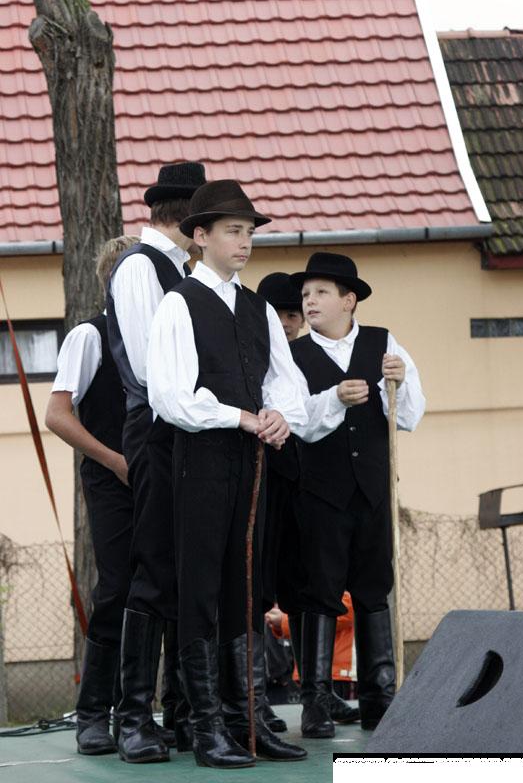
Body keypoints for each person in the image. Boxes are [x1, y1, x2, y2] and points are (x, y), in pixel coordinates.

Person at [147, 179, 308, 768]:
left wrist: (279, 416)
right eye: (233, 232)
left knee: (245, 585)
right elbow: (170, 395)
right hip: (201, 461)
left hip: (252, 463)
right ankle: (206, 727)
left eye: (248, 233)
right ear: (200, 235)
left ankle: (247, 720)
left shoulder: (259, 307)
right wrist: (240, 416)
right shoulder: (179, 303)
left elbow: (286, 383)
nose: (245, 242)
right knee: (200, 590)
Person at [289, 252, 425, 735]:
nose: (310, 302)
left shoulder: (383, 343)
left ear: (348, 300)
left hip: (372, 491)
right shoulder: (293, 356)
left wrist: (397, 383)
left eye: (321, 292)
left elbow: (409, 415)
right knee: (320, 593)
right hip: (320, 494)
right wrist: (333, 398)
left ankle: (379, 698)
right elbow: (295, 419)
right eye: (306, 294)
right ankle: (316, 702)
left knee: (373, 589)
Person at [106, 162, 206, 763]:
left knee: (181, 568)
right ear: (187, 218)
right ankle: (134, 716)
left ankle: (181, 711)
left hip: (186, 431)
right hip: (156, 428)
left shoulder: (178, 271)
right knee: (153, 568)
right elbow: (148, 368)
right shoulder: (142, 268)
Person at [45, 235, 138, 755]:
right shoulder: (89, 335)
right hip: (111, 479)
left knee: (163, 593)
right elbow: (57, 415)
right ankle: (93, 713)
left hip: (161, 479)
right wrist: (114, 460)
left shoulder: (164, 335)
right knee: (117, 588)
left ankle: (141, 712)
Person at [257, 272, 360, 728]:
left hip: (305, 485)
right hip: (264, 483)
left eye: (292, 315)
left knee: (308, 585)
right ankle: (254, 699)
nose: (285, 323)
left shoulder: (303, 358)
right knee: (260, 589)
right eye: (276, 315)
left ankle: (316, 693)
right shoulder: (253, 355)